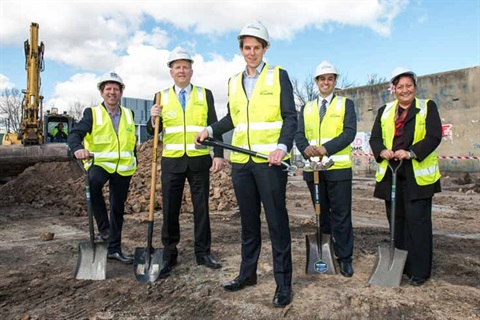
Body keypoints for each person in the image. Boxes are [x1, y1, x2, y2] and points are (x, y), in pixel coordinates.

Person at [195, 21, 297, 308]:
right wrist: (211, 131)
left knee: (277, 223)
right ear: (241, 50)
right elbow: (232, 119)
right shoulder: (233, 81)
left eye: (257, 47)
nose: (251, 52)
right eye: (247, 48)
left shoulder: (279, 76)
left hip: (270, 163)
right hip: (241, 163)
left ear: (265, 48)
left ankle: (283, 284)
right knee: (249, 223)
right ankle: (247, 274)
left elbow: (290, 116)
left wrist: (281, 147)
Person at [147, 47, 224, 278]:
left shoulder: (205, 94)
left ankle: (203, 252)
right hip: (172, 162)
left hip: (199, 160)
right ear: (171, 72)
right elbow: (154, 132)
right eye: (177, 67)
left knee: (201, 208)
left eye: (185, 67)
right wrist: (152, 119)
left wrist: (218, 153)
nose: (181, 71)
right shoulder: (160, 96)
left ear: (191, 70)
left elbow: (215, 125)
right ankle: (169, 254)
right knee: (170, 209)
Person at [369, 67, 442, 286]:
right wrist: (382, 150)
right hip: (392, 173)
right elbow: (375, 138)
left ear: (415, 87)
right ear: (394, 90)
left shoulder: (427, 107)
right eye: (400, 86)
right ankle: (400, 266)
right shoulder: (385, 110)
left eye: (408, 85)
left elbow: (433, 136)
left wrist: (411, 153)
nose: (404, 90)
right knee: (396, 221)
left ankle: (419, 271)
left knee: (418, 223)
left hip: (416, 174)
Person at [294, 61, 357, 278]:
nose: (326, 82)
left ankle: (345, 257)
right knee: (322, 215)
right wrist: (306, 149)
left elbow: (349, 133)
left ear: (334, 81)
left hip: (338, 169)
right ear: (316, 82)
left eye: (330, 78)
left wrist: (325, 148)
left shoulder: (345, 104)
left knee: (341, 215)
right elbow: (299, 134)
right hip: (314, 171)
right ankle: (327, 253)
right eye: (322, 79)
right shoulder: (307, 107)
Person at [68, 71, 137, 264]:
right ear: (102, 92)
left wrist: (136, 159)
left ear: (121, 92)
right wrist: (78, 148)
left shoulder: (129, 114)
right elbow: (75, 134)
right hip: (100, 163)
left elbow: (132, 141)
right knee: (93, 183)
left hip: (123, 168)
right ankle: (104, 228)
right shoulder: (92, 113)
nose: (112, 92)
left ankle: (114, 248)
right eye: (108, 89)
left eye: (116, 89)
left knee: (118, 208)